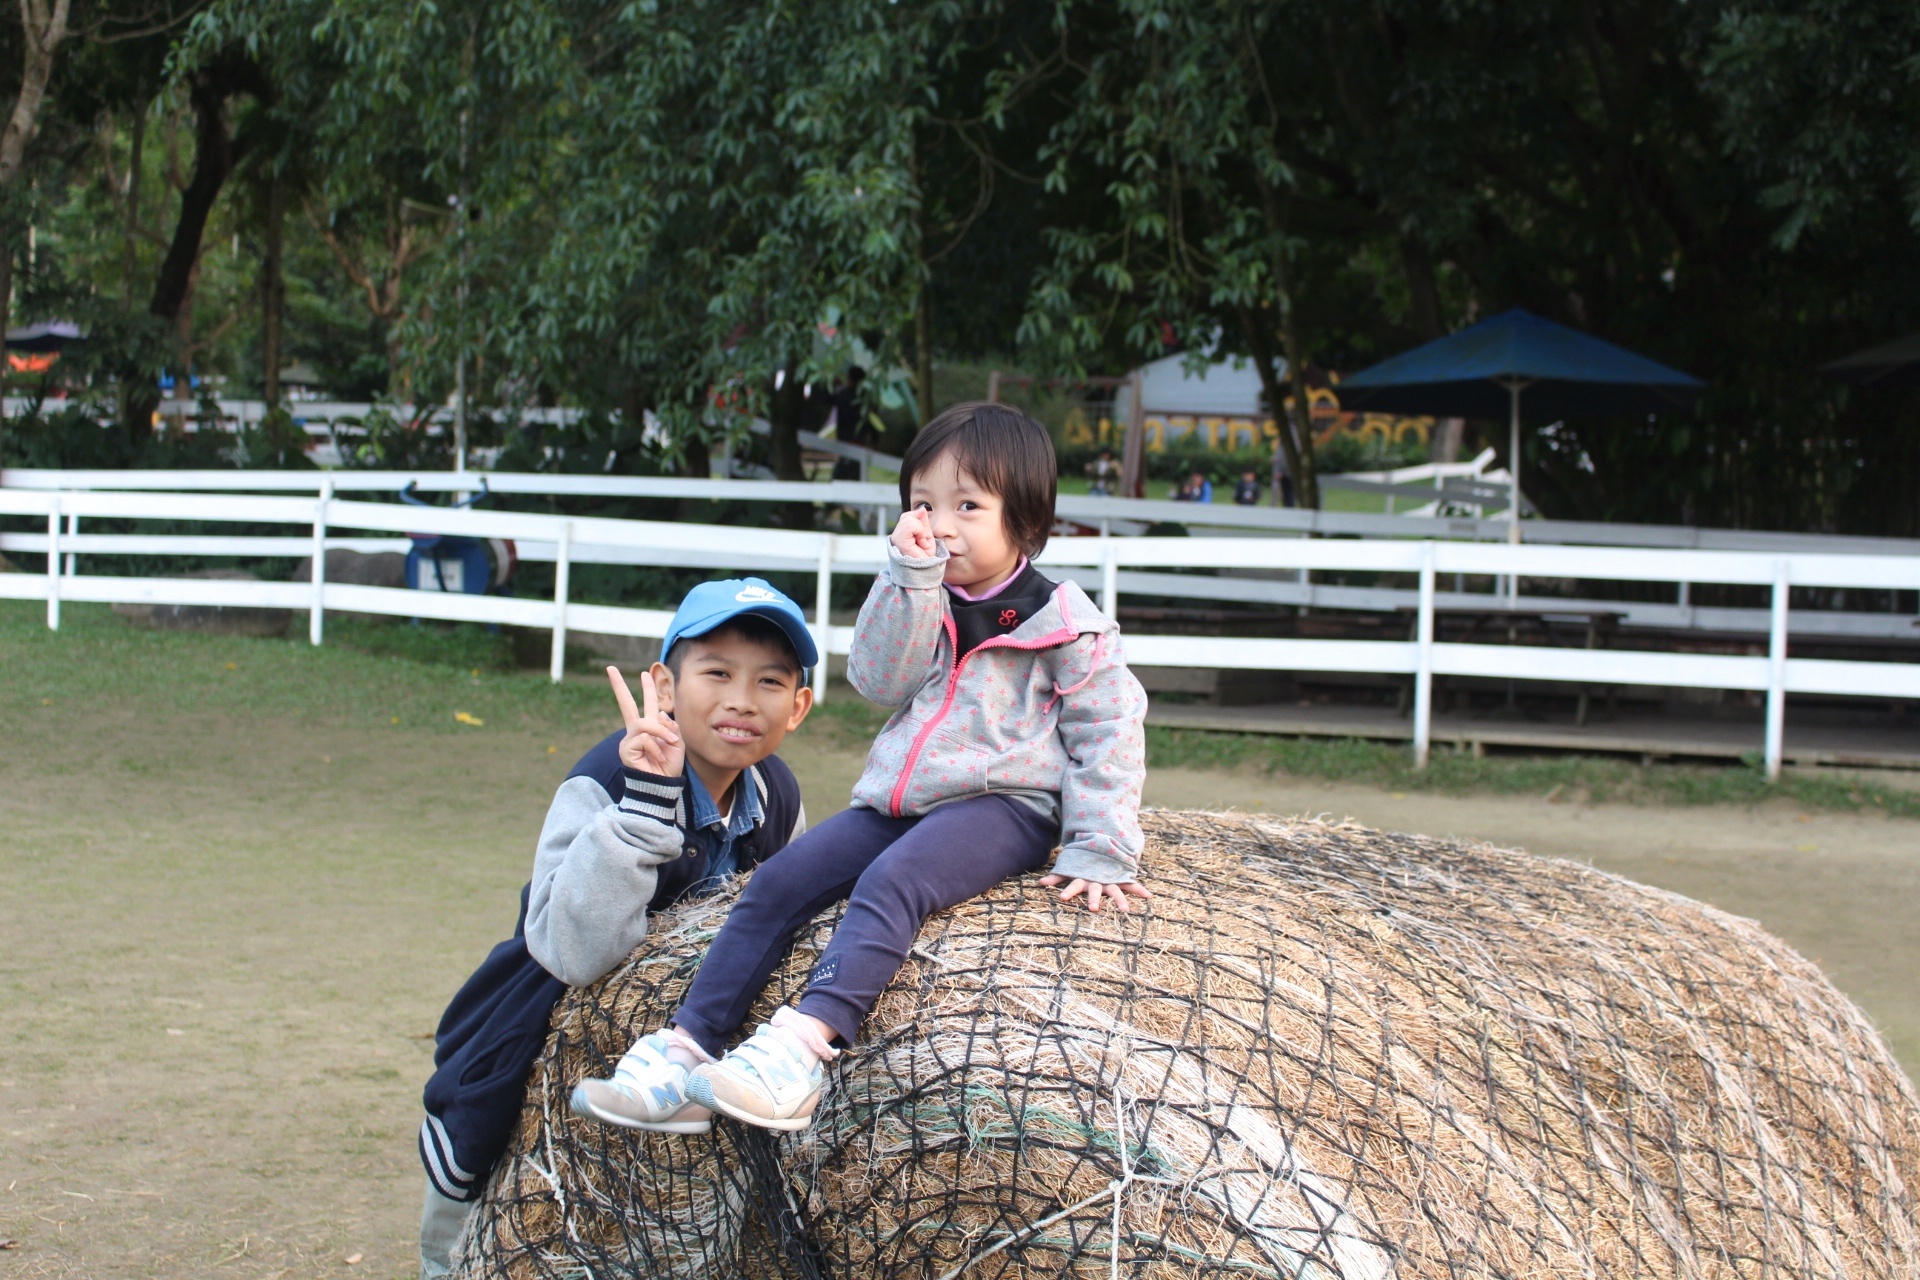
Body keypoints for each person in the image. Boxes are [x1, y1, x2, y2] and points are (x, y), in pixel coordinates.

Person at [570, 401, 1149, 1136]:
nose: (941, 523)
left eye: (968, 505)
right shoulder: (921, 592)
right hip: (902, 800)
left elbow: (1109, 729)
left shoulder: (1065, 620)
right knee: (778, 881)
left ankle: (803, 1051)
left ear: (1025, 519)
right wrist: (908, 579)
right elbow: (878, 679)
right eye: (923, 503)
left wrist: (1101, 845)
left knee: (893, 882)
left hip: (1006, 806)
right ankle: (685, 1053)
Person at [415, 579, 818, 1277]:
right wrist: (646, 809)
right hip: (548, 1014)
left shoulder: (776, 794)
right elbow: (574, 952)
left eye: (770, 682)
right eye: (716, 673)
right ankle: (446, 1260)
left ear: (799, 706)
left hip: (688, 1035)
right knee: (479, 1150)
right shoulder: (607, 778)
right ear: (663, 684)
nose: (741, 700)